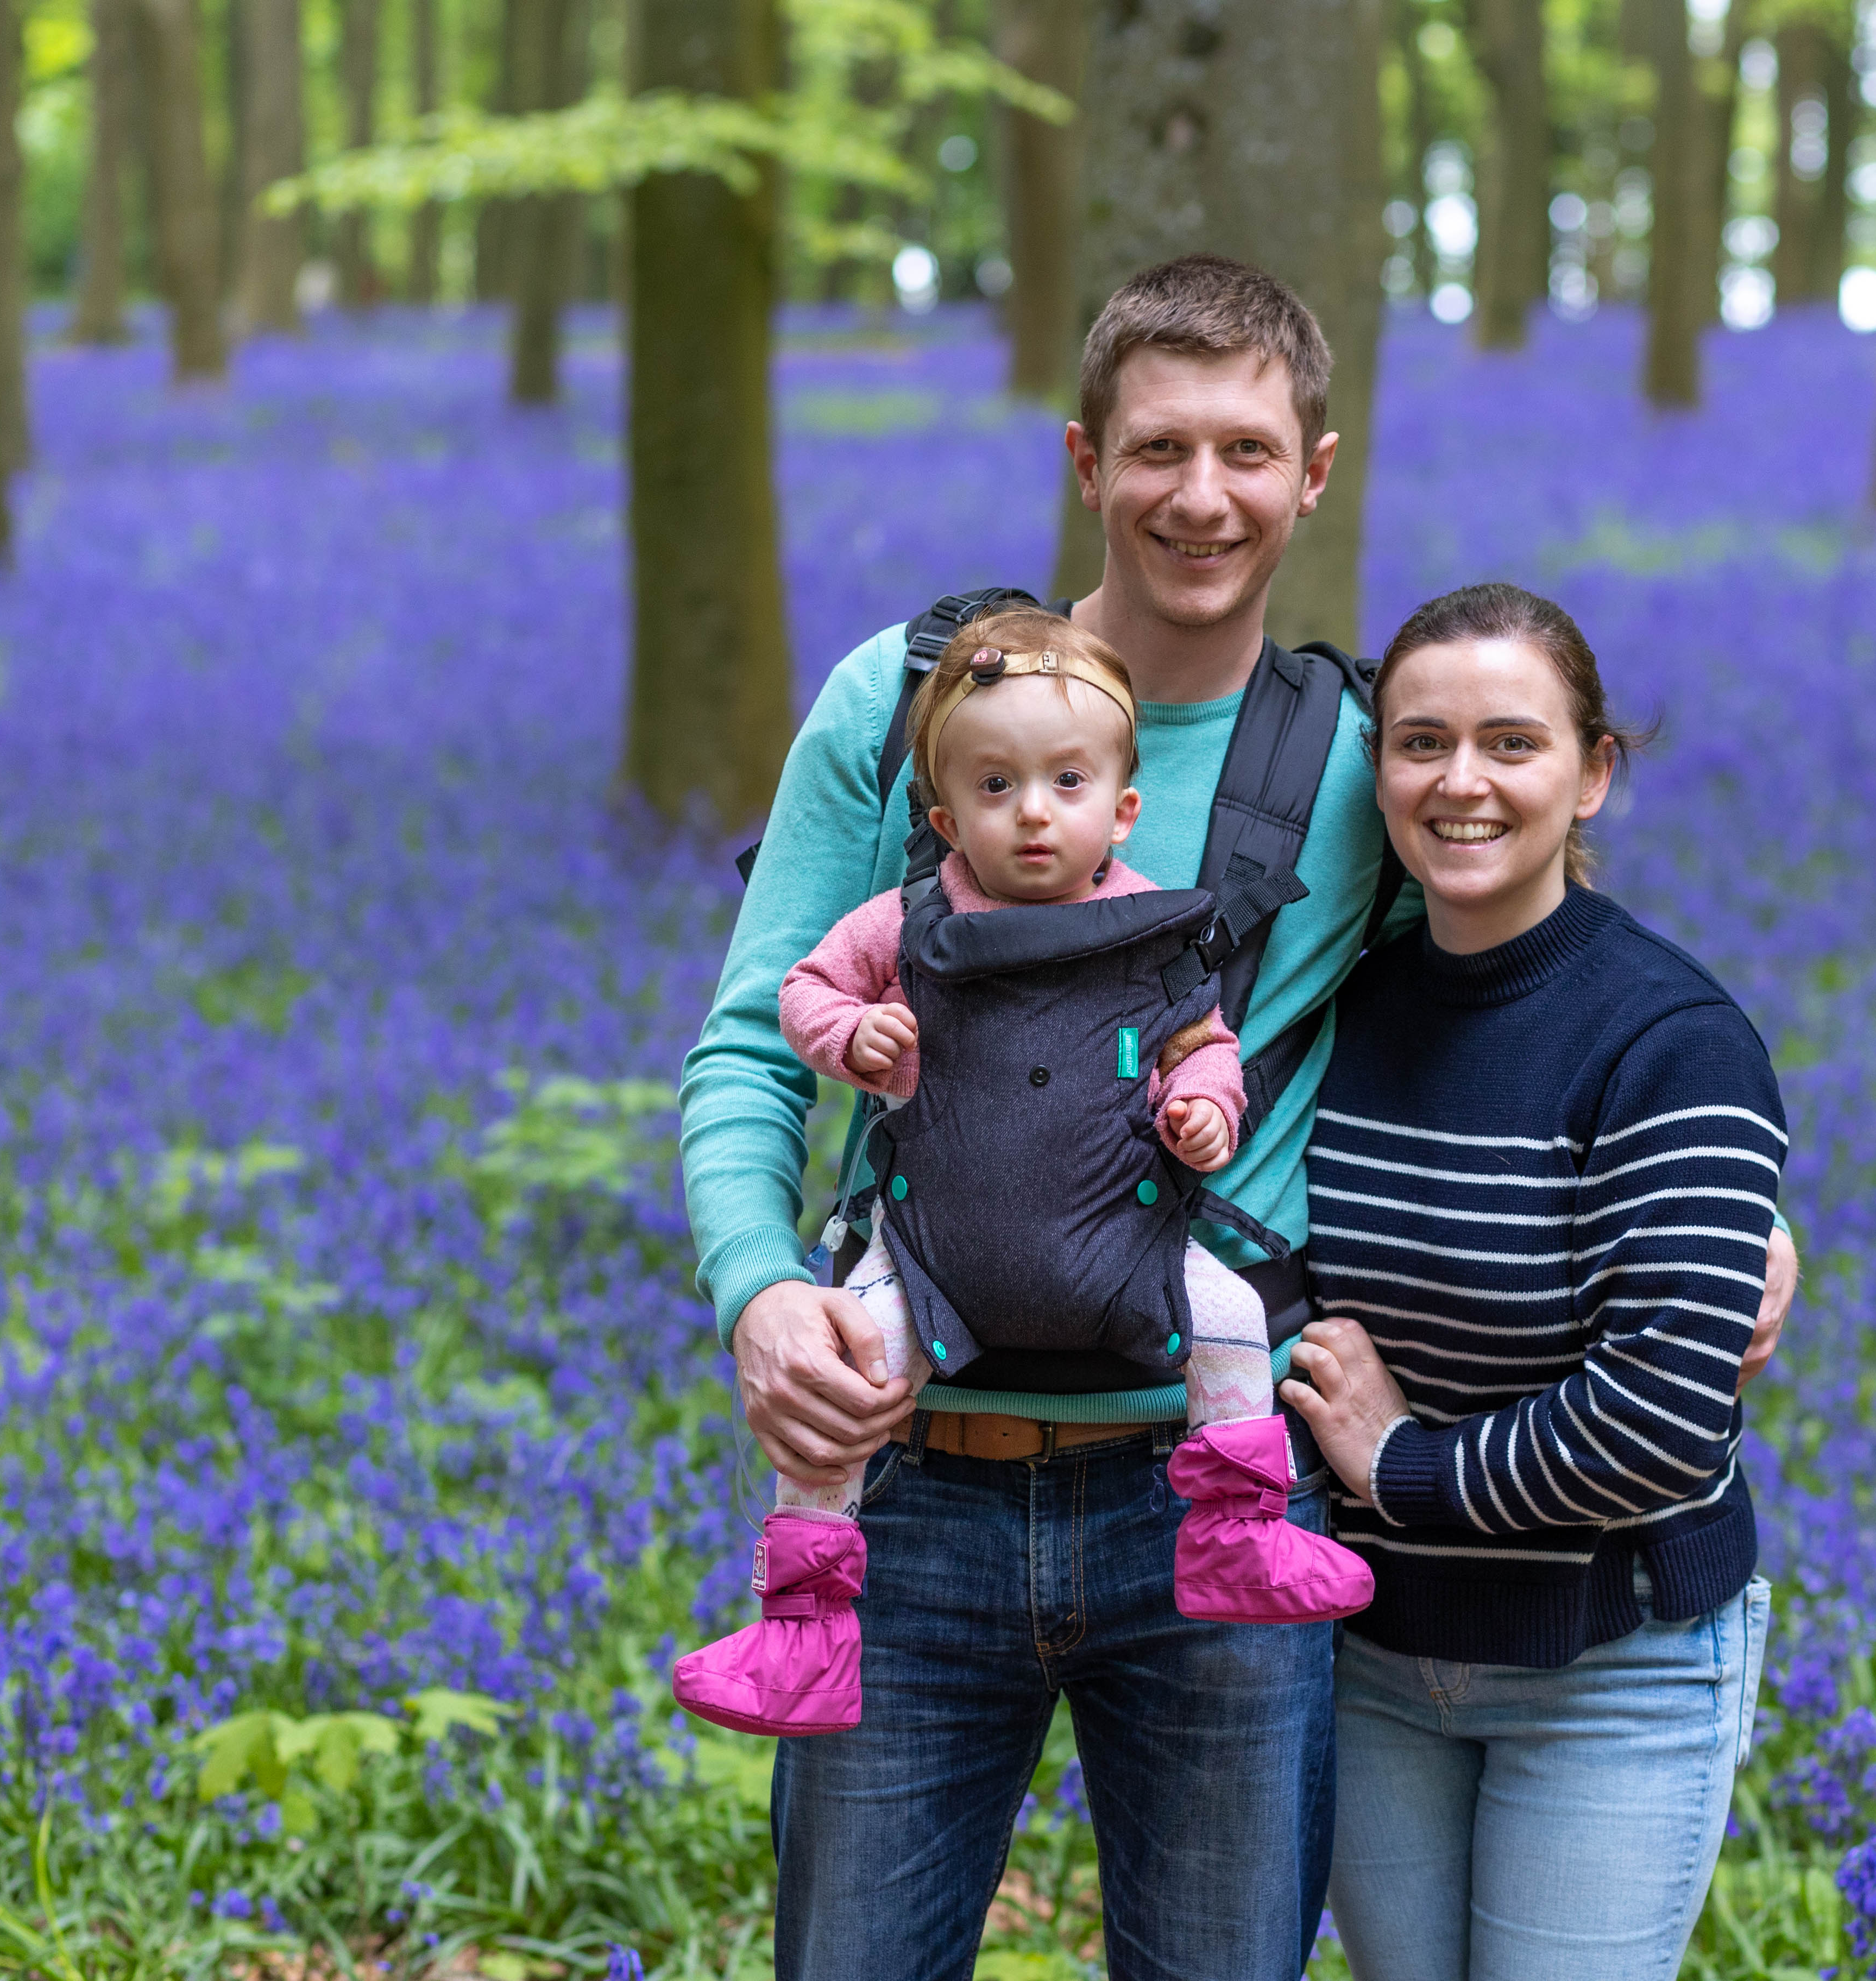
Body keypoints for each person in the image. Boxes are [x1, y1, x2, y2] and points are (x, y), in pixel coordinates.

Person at [680, 255, 1796, 1980]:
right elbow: (755, 1047)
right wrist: (759, 1287)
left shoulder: (1368, 764)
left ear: (1318, 473)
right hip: (906, 1480)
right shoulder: (902, 711)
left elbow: (1536, 990)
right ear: (1083, 461)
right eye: (1158, 450)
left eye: (1249, 454)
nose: (1202, 499)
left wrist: (1735, 1217)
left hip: (1220, 1504)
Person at [670, 613, 1372, 1740]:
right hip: (931, 1260)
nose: (1034, 812)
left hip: (1128, 1245)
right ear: (944, 817)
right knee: (850, 1381)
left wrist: (1204, 1110)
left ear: (1122, 809)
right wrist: (852, 1042)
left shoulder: (1151, 927)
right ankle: (801, 1628)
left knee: (1232, 1312)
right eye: (997, 787)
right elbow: (797, 997)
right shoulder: (908, 919)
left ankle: (1235, 1530)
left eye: (1065, 784)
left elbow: (1206, 1045)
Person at [1283, 582, 1787, 1981]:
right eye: (1419, 742)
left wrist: (1399, 1465)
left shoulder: (1671, 1042)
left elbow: (1658, 1426)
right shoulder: (1339, 1011)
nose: (1462, 783)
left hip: (1609, 1665)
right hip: (1376, 1659)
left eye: (1514, 743)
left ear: (1594, 773)